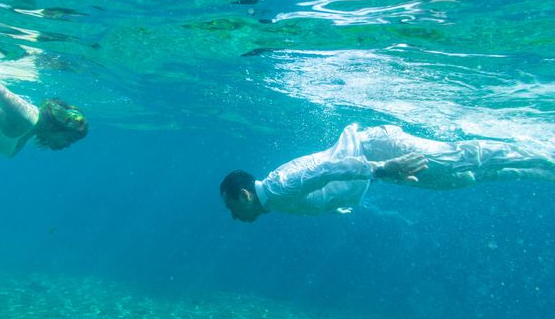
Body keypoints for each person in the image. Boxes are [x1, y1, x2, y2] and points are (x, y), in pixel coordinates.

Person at [220, 124, 555, 222]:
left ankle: (541, 149)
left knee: (458, 161)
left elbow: (328, 168)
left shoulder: (278, 187)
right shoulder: (275, 200)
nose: (233, 216)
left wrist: (382, 168)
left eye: (231, 206)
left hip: (377, 153)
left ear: (244, 194)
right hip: (372, 168)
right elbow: (318, 188)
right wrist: (334, 204)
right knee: (458, 180)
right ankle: (542, 168)